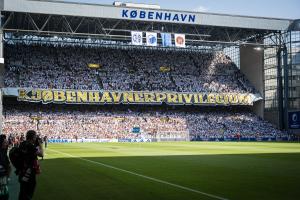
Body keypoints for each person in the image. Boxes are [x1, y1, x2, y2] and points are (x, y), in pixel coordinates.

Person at [18, 130, 44, 200]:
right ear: (33, 137)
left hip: (22, 170)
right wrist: (40, 144)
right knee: (29, 191)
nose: (36, 138)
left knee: (22, 191)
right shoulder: (31, 147)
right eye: (35, 136)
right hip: (29, 172)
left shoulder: (22, 144)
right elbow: (41, 154)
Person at [0, 134, 11, 200]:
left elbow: (8, 166)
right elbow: (8, 166)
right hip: (2, 176)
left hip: (3, 177)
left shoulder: (4, 152)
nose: (6, 143)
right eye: (4, 142)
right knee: (4, 195)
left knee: (5, 195)